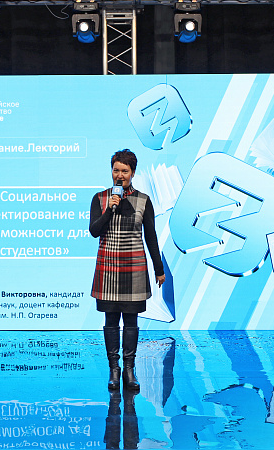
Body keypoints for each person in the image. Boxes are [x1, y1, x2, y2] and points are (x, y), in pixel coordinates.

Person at [89, 149, 165, 391]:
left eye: (124, 171)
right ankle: (114, 369)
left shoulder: (143, 200)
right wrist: (110, 209)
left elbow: (151, 236)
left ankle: (130, 370)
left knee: (131, 320)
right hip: (108, 267)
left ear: (133, 173)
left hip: (134, 266)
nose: (119, 175)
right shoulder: (100, 198)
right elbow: (94, 231)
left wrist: (159, 268)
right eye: (116, 170)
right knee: (110, 319)